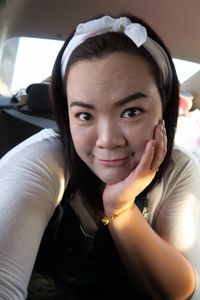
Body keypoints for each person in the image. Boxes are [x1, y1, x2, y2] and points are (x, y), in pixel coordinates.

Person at [0, 14, 200, 300]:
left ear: (164, 106)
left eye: (131, 111)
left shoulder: (179, 169)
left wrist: (121, 207)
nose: (107, 140)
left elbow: (182, 291)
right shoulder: (43, 161)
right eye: (85, 115)